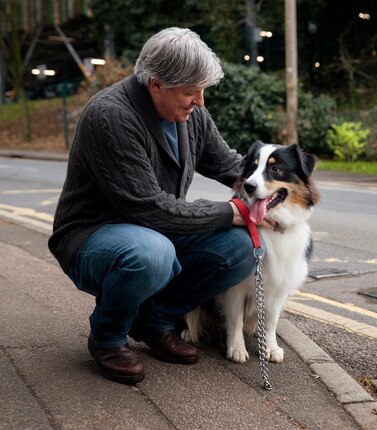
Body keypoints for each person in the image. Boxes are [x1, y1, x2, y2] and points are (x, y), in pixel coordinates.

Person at [48, 27, 274, 385]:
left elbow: (230, 165)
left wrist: (274, 191)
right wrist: (231, 212)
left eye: (202, 91)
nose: (199, 101)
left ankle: (154, 321)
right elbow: (149, 208)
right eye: (190, 92)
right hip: (94, 236)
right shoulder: (111, 116)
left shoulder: (191, 113)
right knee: (152, 254)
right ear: (155, 84)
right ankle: (107, 337)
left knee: (240, 249)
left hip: (157, 230)